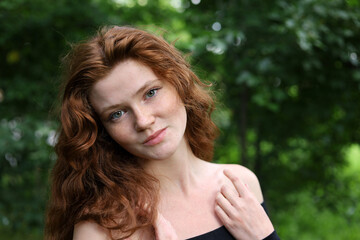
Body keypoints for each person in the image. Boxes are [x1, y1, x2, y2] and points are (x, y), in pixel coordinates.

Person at [45, 26, 280, 240]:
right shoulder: (102, 225)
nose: (144, 121)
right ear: (103, 130)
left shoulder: (239, 185)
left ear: (178, 82)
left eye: (150, 93)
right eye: (117, 114)